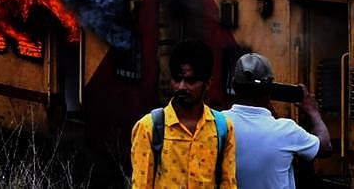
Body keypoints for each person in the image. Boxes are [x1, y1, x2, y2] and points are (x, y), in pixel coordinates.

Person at [130, 39, 237, 189]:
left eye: (190, 81)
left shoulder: (223, 128)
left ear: (208, 83)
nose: (181, 87)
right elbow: (141, 185)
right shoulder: (149, 128)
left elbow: (228, 184)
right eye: (177, 79)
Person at [223, 53, 331, 189]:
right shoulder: (286, 130)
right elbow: (325, 147)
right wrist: (313, 112)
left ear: (233, 85)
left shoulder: (219, 123)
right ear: (270, 88)